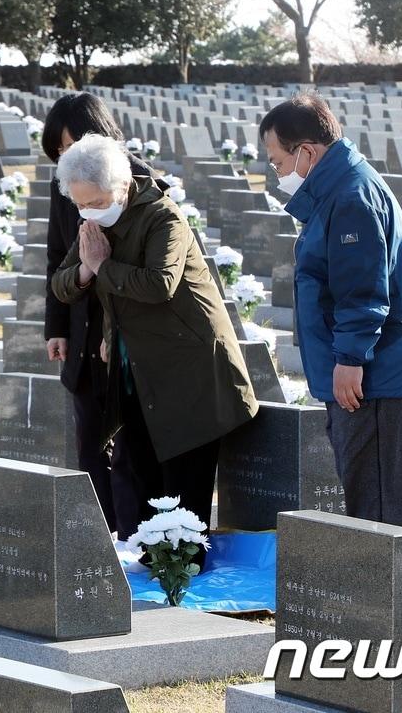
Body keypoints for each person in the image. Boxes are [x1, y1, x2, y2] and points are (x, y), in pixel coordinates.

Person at [50, 134, 257, 555]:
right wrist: (88, 273)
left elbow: (160, 285)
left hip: (190, 365)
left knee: (182, 474)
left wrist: (101, 267)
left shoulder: (164, 218)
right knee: (134, 464)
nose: (88, 211)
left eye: (96, 200)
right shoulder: (93, 225)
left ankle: (182, 572)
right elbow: (62, 283)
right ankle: (146, 563)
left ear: (123, 186)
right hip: (138, 366)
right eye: (80, 204)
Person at [262, 92, 402, 527]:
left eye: (278, 161)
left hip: (376, 375)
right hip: (372, 372)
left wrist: (350, 360)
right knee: (380, 504)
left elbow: (362, 289)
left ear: (307, 152)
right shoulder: (339, 189)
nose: (277, 172)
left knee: (377, 512)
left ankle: (392, 597)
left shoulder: (353, 195)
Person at [40, 92, 155, 536]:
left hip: (123, 326)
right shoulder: (62, 185)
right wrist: (56, 326)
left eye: (69, 147)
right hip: (80, 322)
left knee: (128, 443)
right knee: (89, 436)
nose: (65, 159)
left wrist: (118, 329)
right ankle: (97, 535)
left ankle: (132, 536)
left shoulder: (137, 178)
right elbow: (56, 257)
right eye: (58, 153)